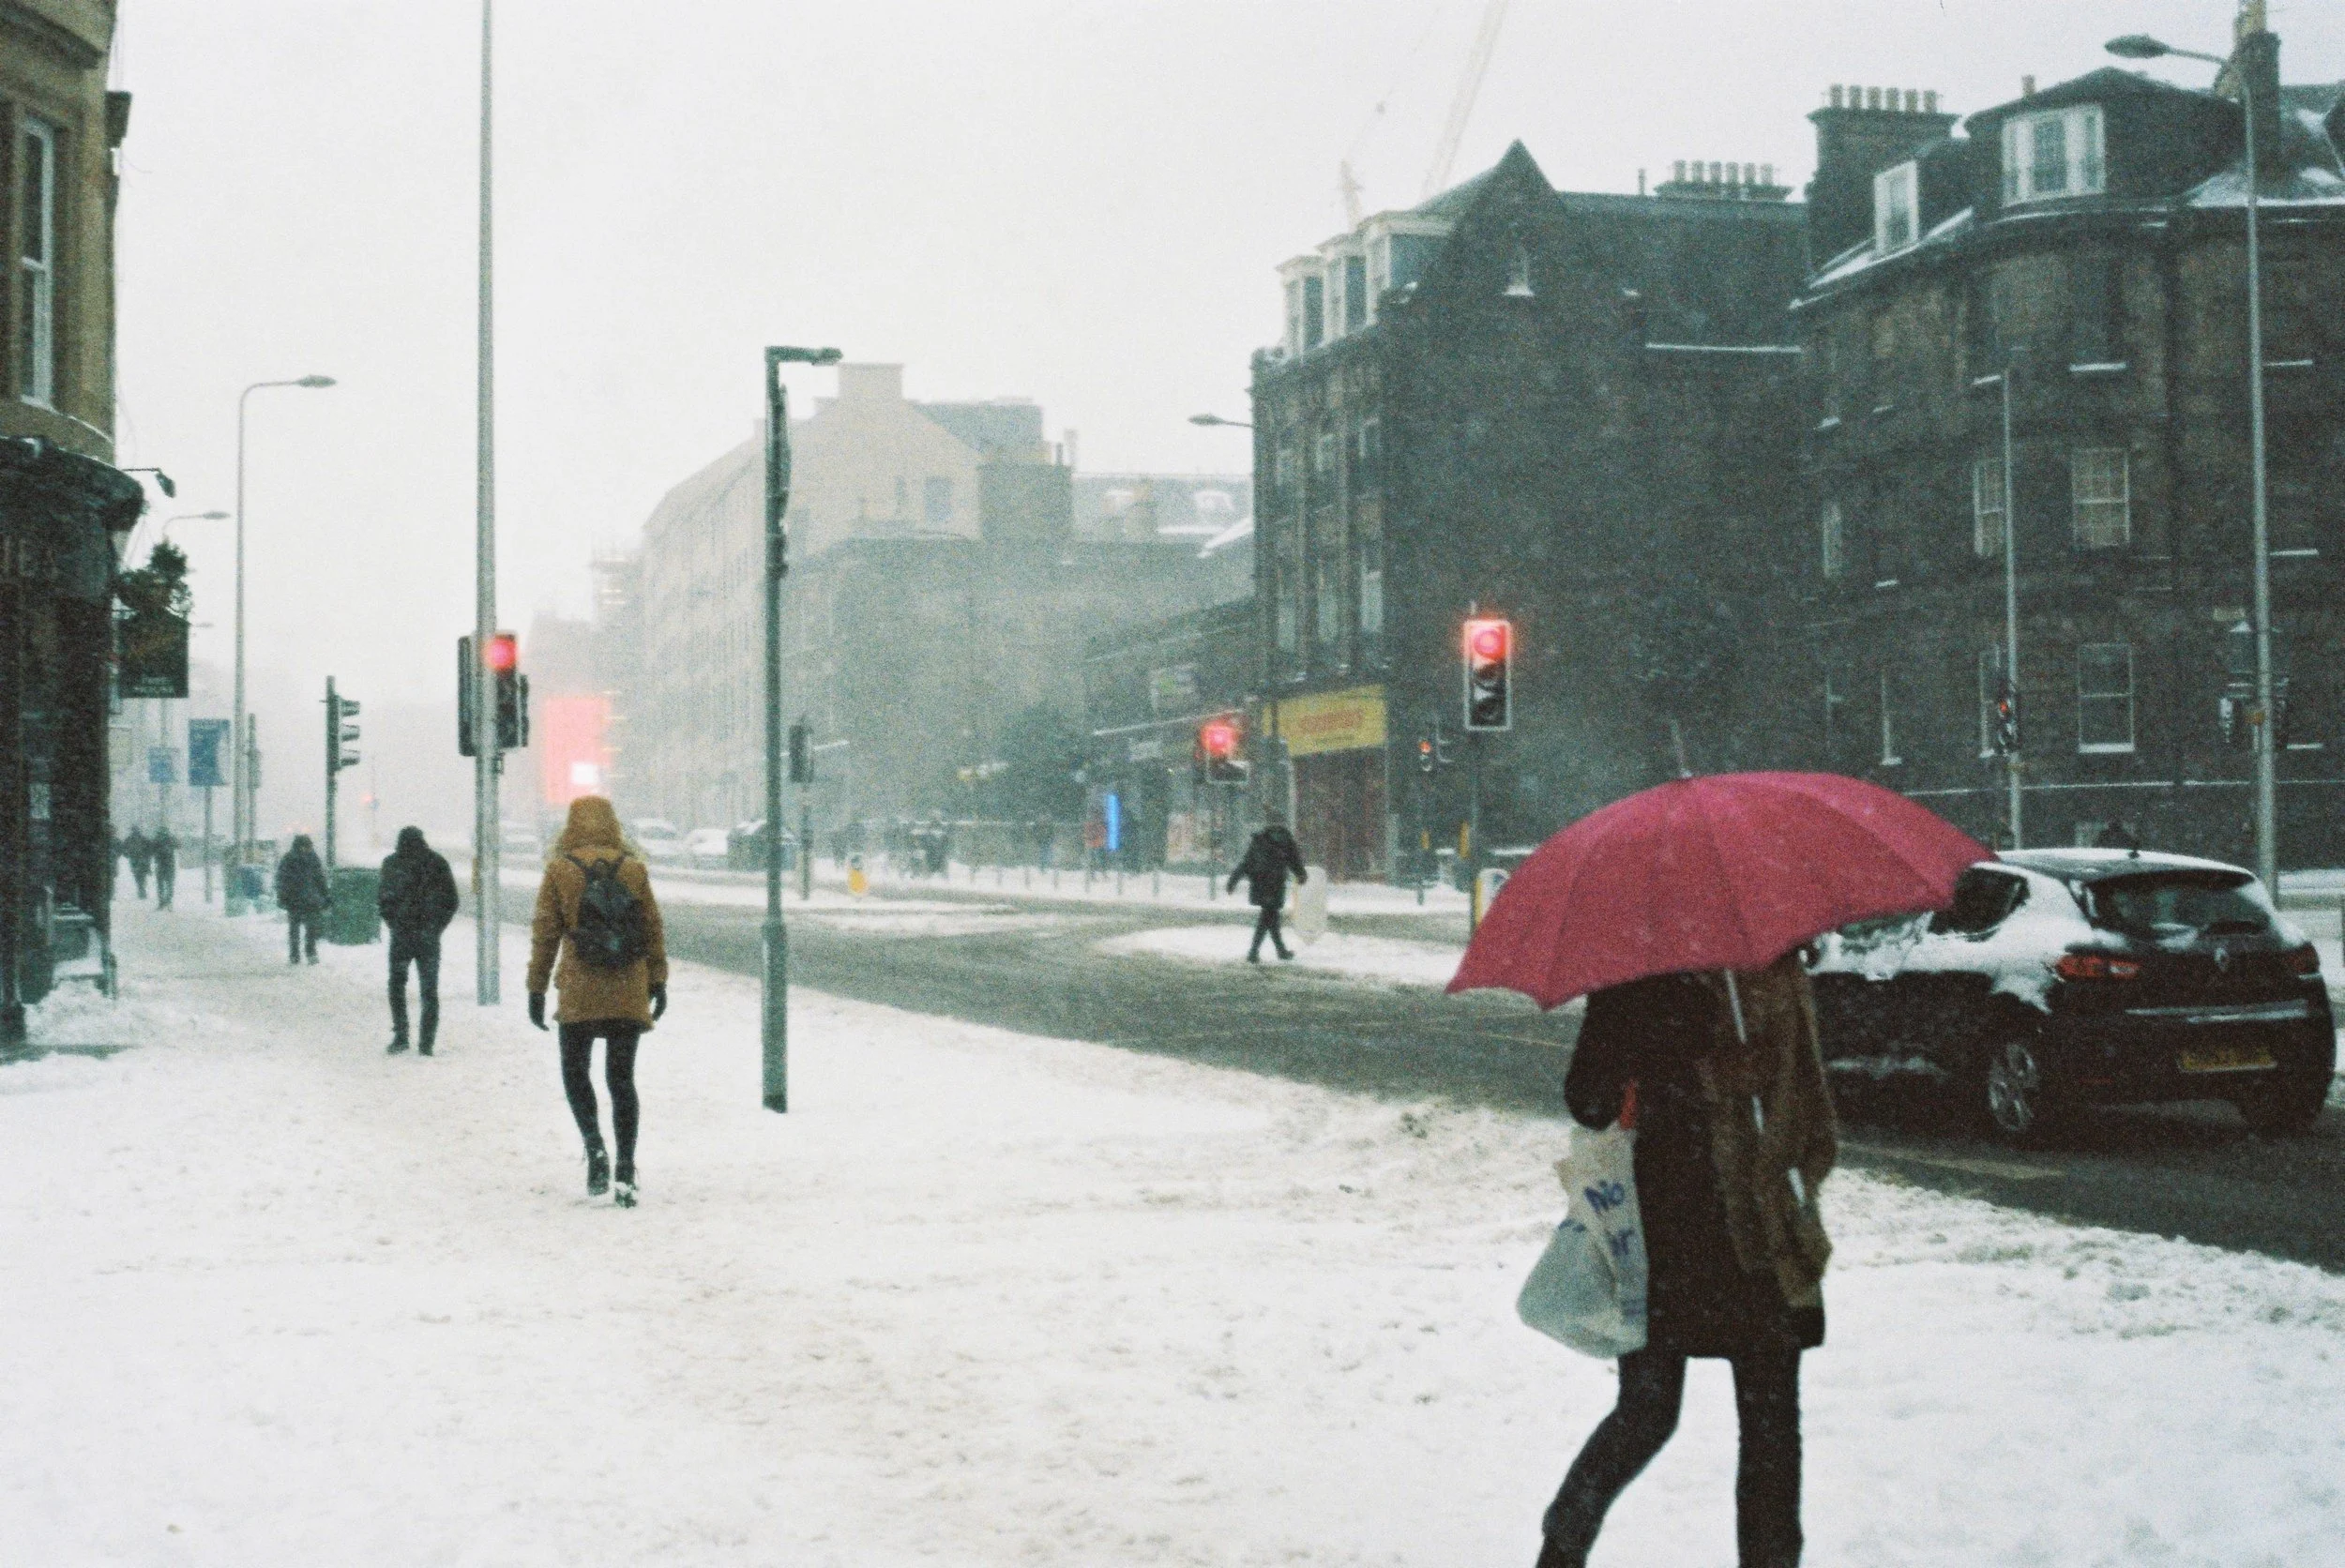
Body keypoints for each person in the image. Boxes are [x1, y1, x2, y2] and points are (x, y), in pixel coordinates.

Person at [1536, 953, 1838, 1568]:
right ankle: (1561, 1548)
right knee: (1652, 1413)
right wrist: (1671, 1053)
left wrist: (1797, 1179)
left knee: (1770, 1422)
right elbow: (1588, 1099)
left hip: (1756, 1229)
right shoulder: (1636, 976)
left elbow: (1808, 1096)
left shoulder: (1771, 971)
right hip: (1664, 1235)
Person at [527, 796, 668, 1208]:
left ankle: (596, 1150)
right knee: (622, 1080)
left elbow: (545, 935)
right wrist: (657, 980)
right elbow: (652, 928)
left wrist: (536, 989)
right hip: (627, 986)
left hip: (579, 988)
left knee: (575, 1073)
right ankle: (626, 1167)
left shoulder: (559, 870)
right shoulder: (634, 869)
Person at [378, 826, 460, 1056]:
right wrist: (436, 927)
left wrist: (395, 923)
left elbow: (384, 900)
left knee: (396, 985)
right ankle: (426, 1043)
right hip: (428, 938)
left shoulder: (392, 864)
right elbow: (451, 900)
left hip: (402, 937)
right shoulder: (436, 863)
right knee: (429, 991)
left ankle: (401, 1035)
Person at [1226, 815, 1308, 962]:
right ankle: (1258, 952)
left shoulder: (1260, 840)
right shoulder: (1285, 840)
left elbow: (1246, 863)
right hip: (1275, 885)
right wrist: (1301, 875)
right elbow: (1294, 860)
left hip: (1260, 884)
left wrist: (1233, 881)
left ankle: (1275, 951)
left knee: (1270, 918)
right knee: (1268, 917)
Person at [274, 835, 330, 965]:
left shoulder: (290, 858)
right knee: (302, 929)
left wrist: (325, 895)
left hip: (301, 900)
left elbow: (282, 879)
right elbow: (319, 879)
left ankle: (303, 954)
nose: (308, 849)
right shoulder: (308, 858)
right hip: (303, 899)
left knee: (303, 928)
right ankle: (303, 954)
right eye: (306, 846)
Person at [151, 829, 177, 911]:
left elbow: (151, 849)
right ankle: (168, 901)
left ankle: (162, 902)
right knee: (169, 885)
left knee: (161, 885)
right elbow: (178, 845)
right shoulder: (170, 840)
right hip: (169, 865)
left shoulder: (157, 840)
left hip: (161, 865)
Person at [124, 827, 152, 899]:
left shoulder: (129, 839)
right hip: (143, 860)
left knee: (137, 876)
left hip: (134, 861)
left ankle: (141, 890)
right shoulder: (144, 839)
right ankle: (142, 890)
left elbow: (124, 850)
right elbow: (150, 849)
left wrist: (128, 854)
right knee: (142, 876)